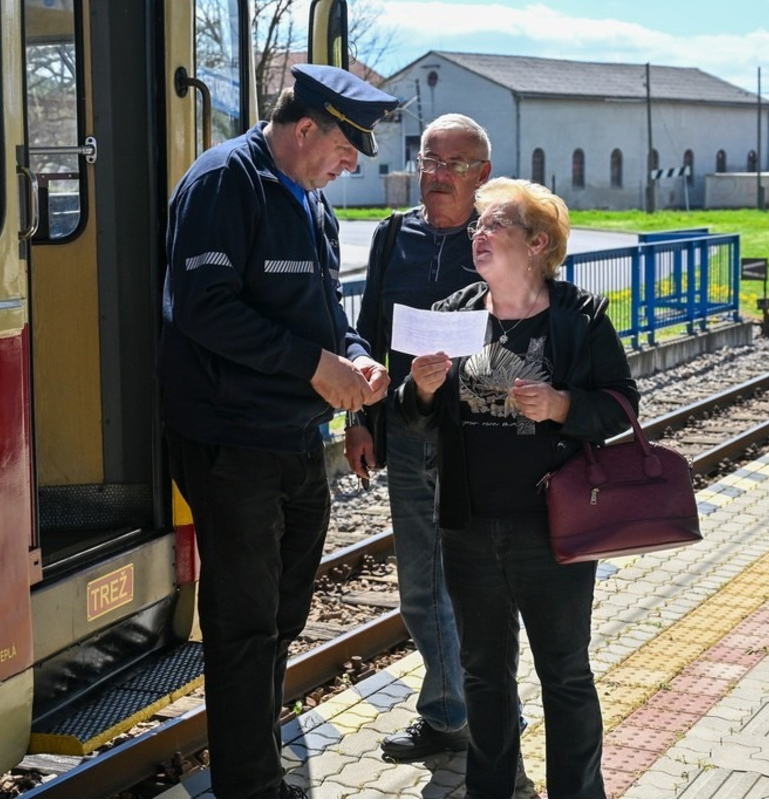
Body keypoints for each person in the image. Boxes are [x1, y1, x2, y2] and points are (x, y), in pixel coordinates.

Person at [158, 64, 399, 799]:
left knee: (286, 611)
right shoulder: (224, 181)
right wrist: (312, 363)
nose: (352, 164)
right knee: (244, 624)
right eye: (347, 148)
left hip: (296, 438)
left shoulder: (311, 203)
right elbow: (201, 307)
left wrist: (353, 360)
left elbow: (327, 312)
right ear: (305, 129)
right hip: (232, 442)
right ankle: (250, 786)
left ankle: (256, 765)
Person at [399, 177, 639, 798]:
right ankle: (490, 790)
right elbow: (414, 417)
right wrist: (420, 389)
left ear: (536, 244)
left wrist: (561, 405)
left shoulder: (578, 317)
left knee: (564, 674)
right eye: (478, 226)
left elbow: (620, 405)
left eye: (494, 225)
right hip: (470, 527)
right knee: (483, 676)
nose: (478, 234)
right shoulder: (454, 314)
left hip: (552, 528)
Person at [344, 113, 492, 760]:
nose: (436, 177)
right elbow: (367, 332)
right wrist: (357, 419)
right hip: (406, 430)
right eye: (428, 162)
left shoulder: (500, 238)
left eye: (453, 166)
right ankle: (446, 716)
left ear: (480, 175)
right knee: (419, 587)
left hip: (478, 441)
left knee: (478, 583)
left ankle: (486, 714)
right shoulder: (390, 236)